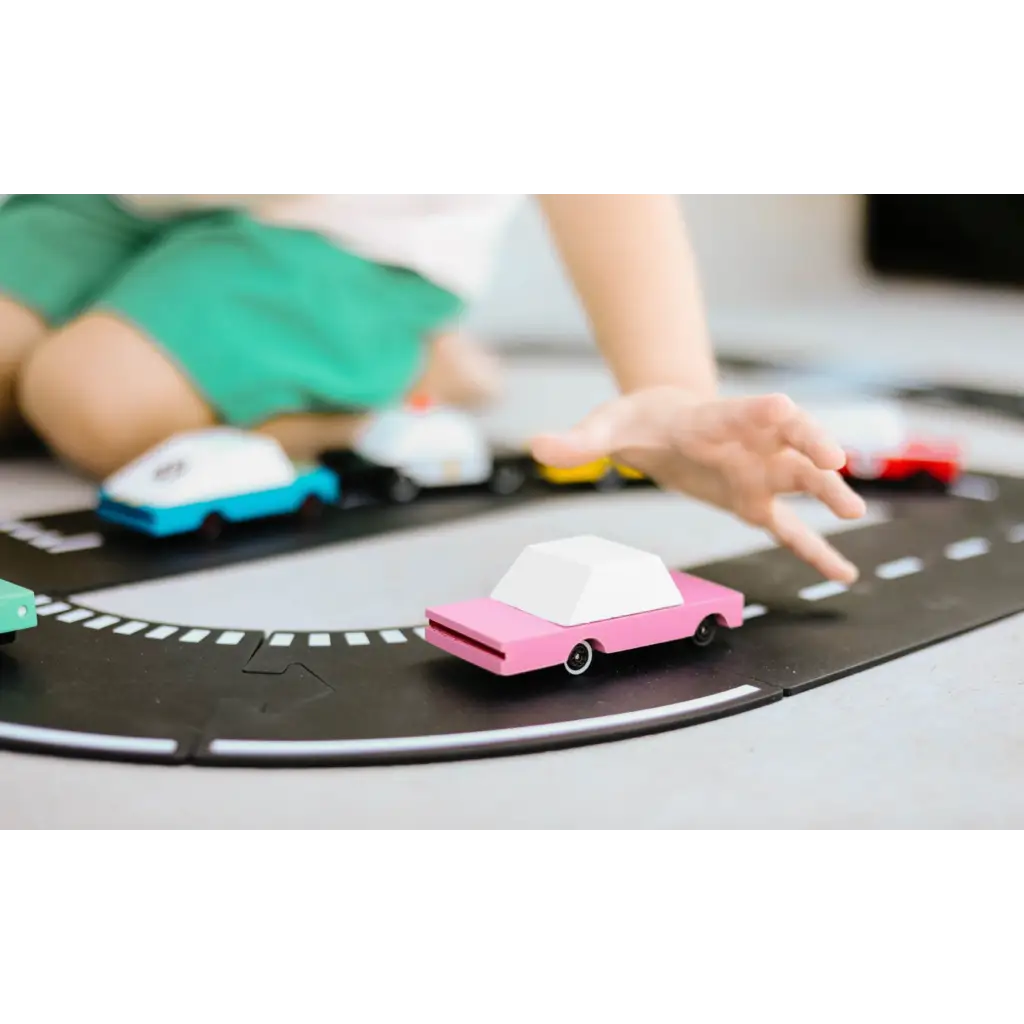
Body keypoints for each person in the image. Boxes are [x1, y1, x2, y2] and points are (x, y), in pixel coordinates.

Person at [0, 192, 865, 583]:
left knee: (90, 397)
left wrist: (669, 389)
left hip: (356, 224)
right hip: (132, 202)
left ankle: (413, 359)